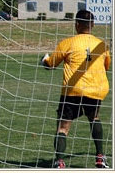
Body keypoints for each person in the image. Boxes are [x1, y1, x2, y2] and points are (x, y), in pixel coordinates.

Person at [41, 10, 110, 168]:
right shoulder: (102, 45)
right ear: (92, 25)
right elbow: (106, 67)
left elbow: (51, 64)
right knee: (94, 119)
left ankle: (59, 162)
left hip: (72, 91)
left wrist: (43, 60)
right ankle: (100, 157)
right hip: (95, 90)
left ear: (77, 24)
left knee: (63, 127)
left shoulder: (67, 43)